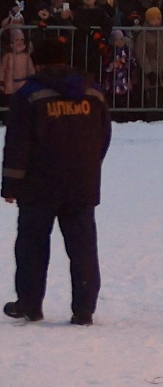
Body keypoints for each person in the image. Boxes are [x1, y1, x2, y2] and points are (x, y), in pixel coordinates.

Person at [4, 28, 110, 324]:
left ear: (37, 64)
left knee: (32, 246)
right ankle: (84, 308)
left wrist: (11, 184)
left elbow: (17, 144)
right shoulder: (94, 92)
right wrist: (90, 166)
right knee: (83, 247)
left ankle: (29, 303)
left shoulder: (29, 95)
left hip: (38, 185)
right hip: (81, 183)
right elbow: (103, 136)